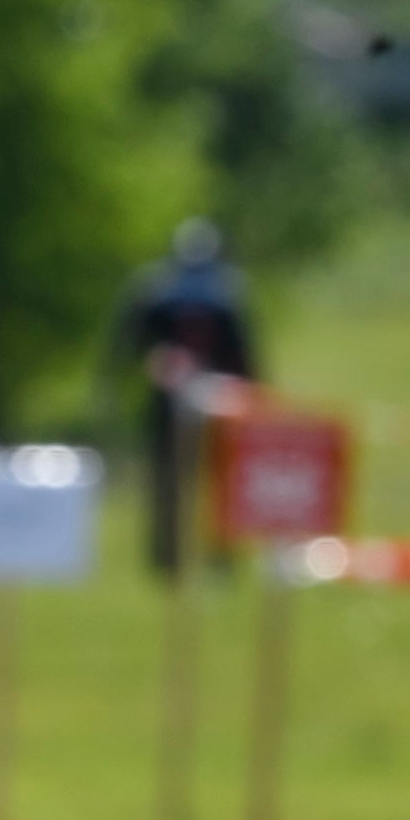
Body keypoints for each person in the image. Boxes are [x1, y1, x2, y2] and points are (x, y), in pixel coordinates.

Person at [114, 218, 258, 578]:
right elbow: (246, 358)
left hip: (188, 401)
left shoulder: (156, 288)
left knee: (177, 482)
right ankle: (209, 560)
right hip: (205, 401)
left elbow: (127, 347)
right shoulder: (227, 290)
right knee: (207, 481)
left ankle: (173, 558)